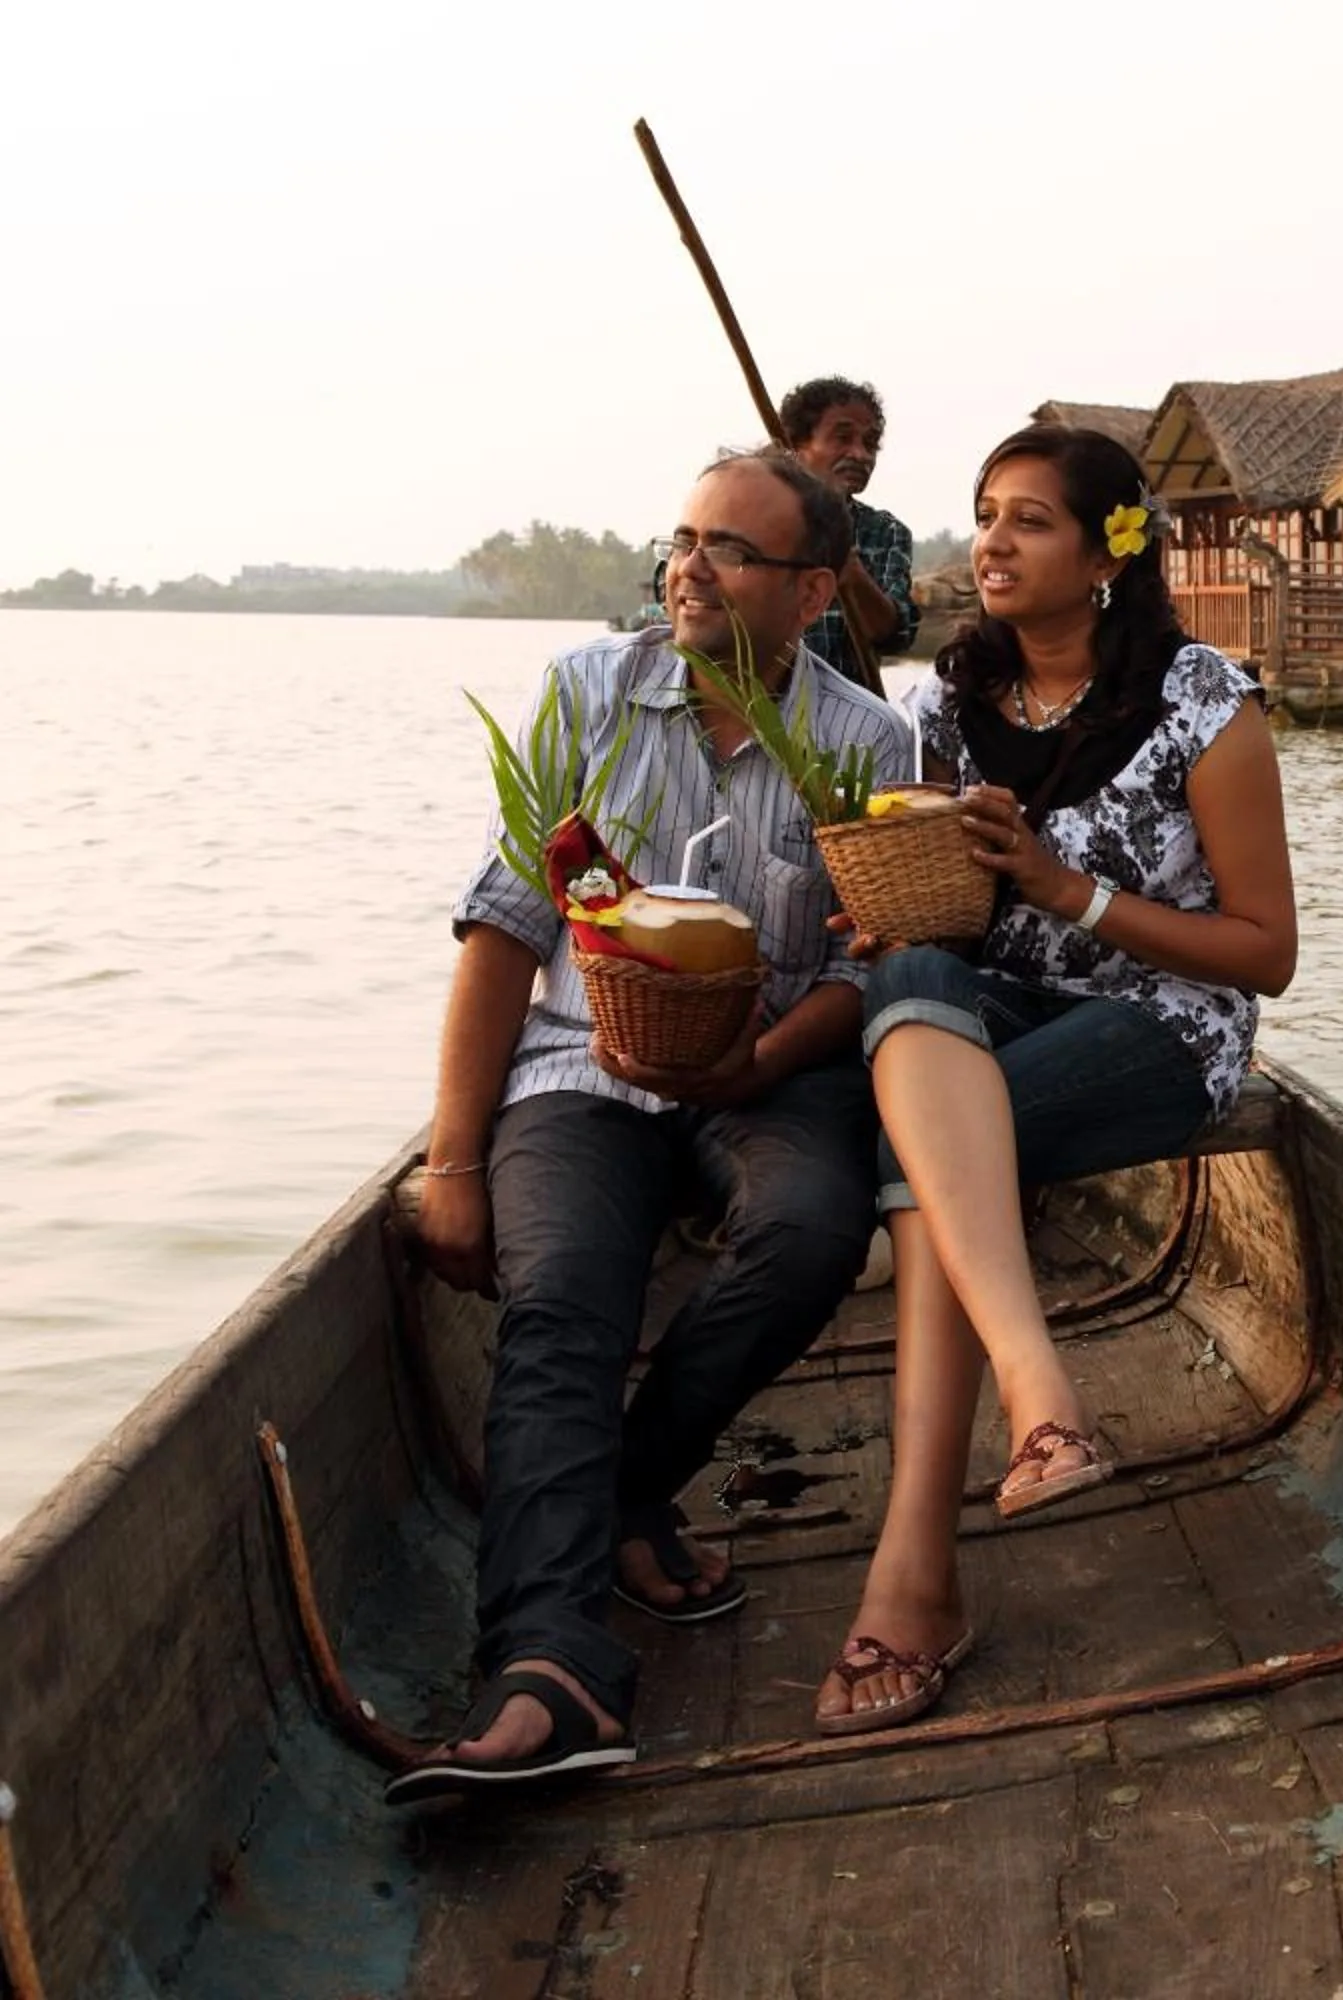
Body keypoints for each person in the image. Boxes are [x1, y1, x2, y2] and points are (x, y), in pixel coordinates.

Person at [392, 448, 915, 1802]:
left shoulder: (866, 741)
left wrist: (755, 1067)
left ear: (810, 592)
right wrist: (453, 1161)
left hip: (774, 1070)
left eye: (728, 551)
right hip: (578, 1064)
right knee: (560, 1291)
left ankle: (619, 1485)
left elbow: (867, 966)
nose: (687, 567)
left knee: (811, 1233)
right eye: (681, 541)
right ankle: (547, 1666)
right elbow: (508, 933)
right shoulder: (588, 695)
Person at [811, 424, 1296, 1736]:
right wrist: (896, 900)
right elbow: (942, 928)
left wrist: (1063, 887)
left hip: (1166, 1017)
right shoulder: (947, 705)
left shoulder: (1204, 701)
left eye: (1029, 519)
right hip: (999, 1009)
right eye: (985, 514)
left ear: (1106, 553)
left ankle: (914, 1574)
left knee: (927, 1158)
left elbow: (1267, 954)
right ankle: (1041, 1404)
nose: (993, 542)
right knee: (911, 982)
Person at [782, 375, 918, 690]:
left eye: (869, 443)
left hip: (847, 730)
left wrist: (852, 576)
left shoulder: (885, 532)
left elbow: (896, 636)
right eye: (842, 438)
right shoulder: (751, 516)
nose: (861, 454)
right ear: (796, 446)